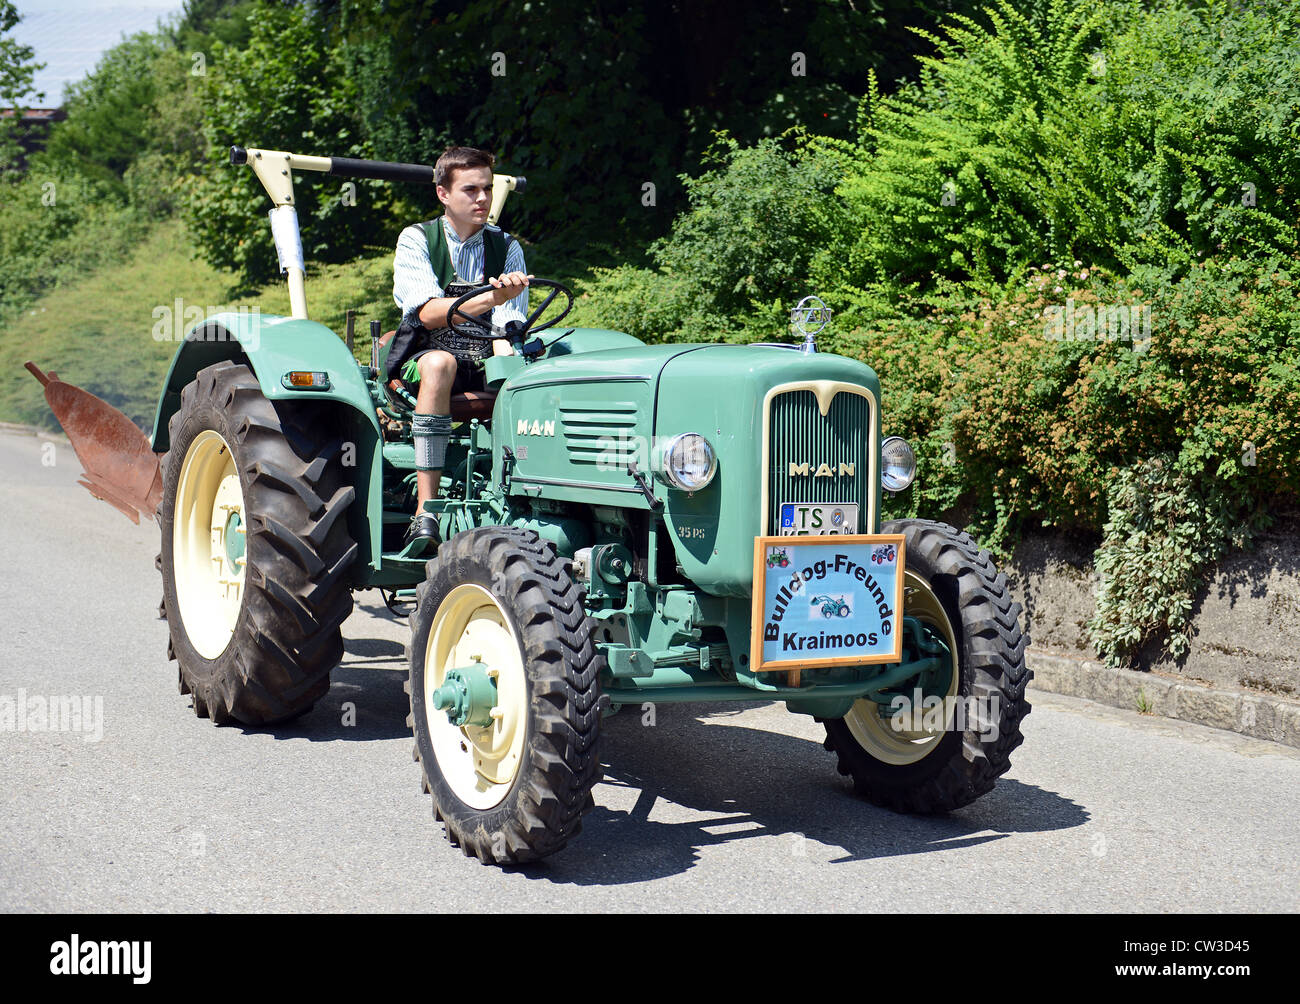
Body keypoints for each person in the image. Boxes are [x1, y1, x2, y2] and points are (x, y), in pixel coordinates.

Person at [390, 145, 530, 552]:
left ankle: (522, 494)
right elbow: (430, 313)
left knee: (521, 368)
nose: (483, 198)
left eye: (486, 188)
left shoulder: (506, 247)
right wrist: (492, 298)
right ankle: (425, 510)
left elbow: (507, 330)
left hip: (482, 358)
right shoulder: (417, 239)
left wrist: (510, 356)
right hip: (422, 358)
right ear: (443, 194)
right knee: (439, 362)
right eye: (470, 190)